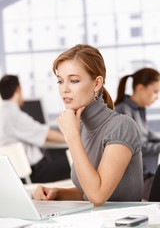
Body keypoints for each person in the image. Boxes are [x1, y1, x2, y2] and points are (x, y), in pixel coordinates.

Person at [33, 44, 143, 206]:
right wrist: (58, 193)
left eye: (74, 81)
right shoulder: (82, 126)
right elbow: (87, 190)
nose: (64, 89)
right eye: (60, 81)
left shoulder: (122, 126)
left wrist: (72, 136)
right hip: (96, 219)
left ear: (97, 83)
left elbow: (98, 196)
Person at [0, 75, 70, 183]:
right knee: (77, 162)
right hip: (35, 174)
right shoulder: (14, 115)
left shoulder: (3, 113)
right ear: (18, 89)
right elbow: (48, 135)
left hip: (15, 176)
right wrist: (73, 138)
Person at [114, 68, 160, 200]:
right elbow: (138, 147)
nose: (157, 97)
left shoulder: (139, 109)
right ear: (140, 88)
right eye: (155, 91)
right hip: (138, 179)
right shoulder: (123, 111)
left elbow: (147, 135)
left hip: (148, 173)